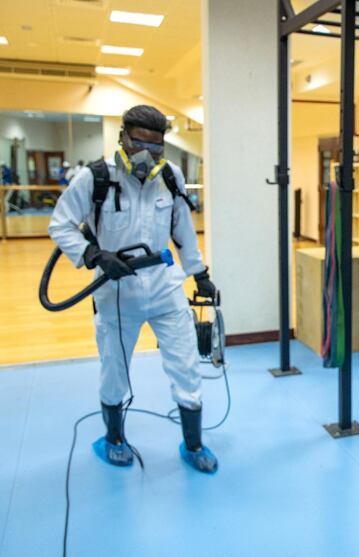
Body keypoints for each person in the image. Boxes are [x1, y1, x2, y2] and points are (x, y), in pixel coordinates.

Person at [49, 105, 219, 474]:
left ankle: (193, 443)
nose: (147, 155)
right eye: (139, 143)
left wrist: (199, 273)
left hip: (164, 289)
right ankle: (113, 438)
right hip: (116, 293)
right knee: (115, 371)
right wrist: (92, 254)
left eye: (156, 147)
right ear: (123, 137)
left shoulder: (170, 177)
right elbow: (60, 225)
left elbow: (183, 232)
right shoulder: (94, 178)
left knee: (187, 366)